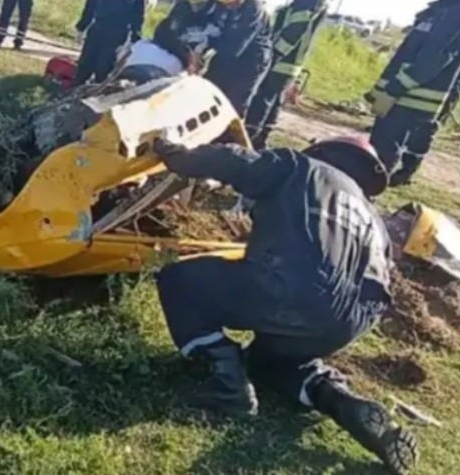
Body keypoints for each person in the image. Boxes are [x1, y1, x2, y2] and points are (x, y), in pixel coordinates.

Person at [150, 134, 418, 474]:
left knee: (181, 282)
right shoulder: (373, 218)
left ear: (324, 151)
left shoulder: (301, 167)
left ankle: (226, 383)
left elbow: (237, 161)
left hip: (295, 287)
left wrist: (178, 155)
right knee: (275, 362)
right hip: (356, 319)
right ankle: (340, 401)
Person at [366, 0, 460, 185]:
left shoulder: (458, 13)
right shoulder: (445, 9)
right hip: (403, 94)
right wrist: (380, 90)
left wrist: (396, 87)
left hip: (409, 96)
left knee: (383, 152)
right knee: (380, 148)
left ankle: (369, 192)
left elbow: (432, 60)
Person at [244, 0, 329, 149]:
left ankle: (250, 137)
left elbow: (293, 33)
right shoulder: (312, 5)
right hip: (290, 64)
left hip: (281, 61)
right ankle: (260, 139)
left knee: (263, 99)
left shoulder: (305, 5)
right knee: (274, 100)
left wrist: (274, 55)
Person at [203, 0, 273, 117]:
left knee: (232, 105)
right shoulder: (217, 4)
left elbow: (235, 48)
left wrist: (205, 54)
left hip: (251, 60)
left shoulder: (252, 7)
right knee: (207, 93)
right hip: (226, 50)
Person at [73, 0, 146, 85]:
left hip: (117, 31)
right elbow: (91, 6)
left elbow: (137, 16)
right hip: (99, 27)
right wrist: (82, 26)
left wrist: (135, 37)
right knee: (85, 64)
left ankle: (98, 91)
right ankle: (75, 88)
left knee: (104, 67)